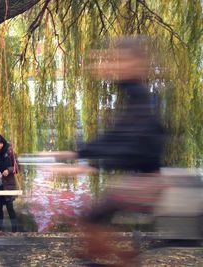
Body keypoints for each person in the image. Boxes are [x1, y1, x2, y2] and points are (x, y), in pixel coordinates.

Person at [44, 36, 165, 265]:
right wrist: (75, 154)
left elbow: (134, 144)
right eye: (114, 60)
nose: (115, 65)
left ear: (138, 64)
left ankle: (122, 260)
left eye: (121, 60)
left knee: (92, 217)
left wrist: (92, 165)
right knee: (92, 222)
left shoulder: (143, 98)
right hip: (140, 180)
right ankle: (109, 258)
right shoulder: (134, 94)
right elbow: (114, 137)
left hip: (147, 183)